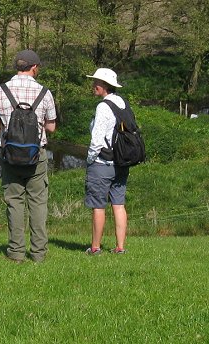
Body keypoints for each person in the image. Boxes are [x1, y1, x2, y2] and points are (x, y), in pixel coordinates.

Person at [0, 49, 57, 262]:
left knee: (14, 202)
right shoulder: (45, 92)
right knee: (37, 203)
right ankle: (38, 253)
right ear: (34, 67)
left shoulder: (0, 90)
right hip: (37, 156)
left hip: (10, 155)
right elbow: (52, 128)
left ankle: (16, 252)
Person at [84, 68, 130, 255]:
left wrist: (90, 159)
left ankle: (95, 248)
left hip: (102, 163)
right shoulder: (123, 104)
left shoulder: (103, 107)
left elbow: (97, 139)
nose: (94, 85)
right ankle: (120, 247)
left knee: (98, 205)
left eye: (97, 82)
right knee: (118, 204)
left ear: (105, 86)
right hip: (121, 162)